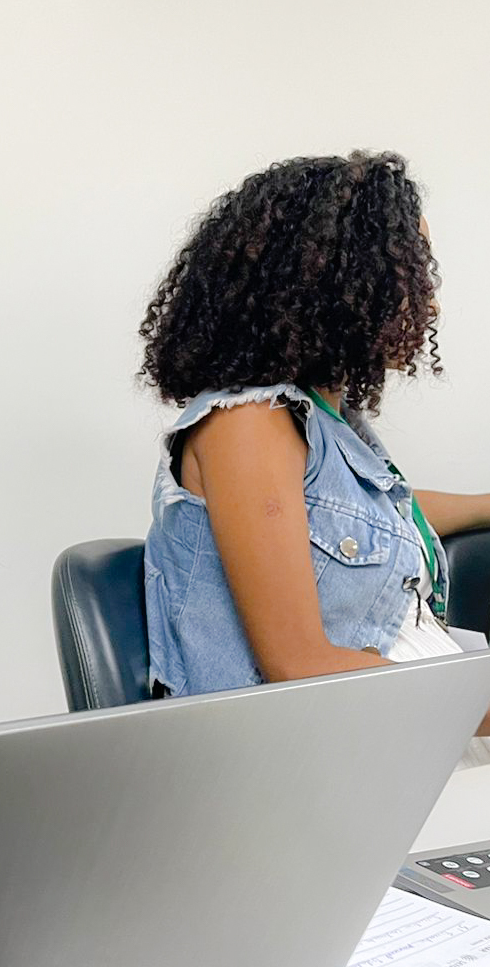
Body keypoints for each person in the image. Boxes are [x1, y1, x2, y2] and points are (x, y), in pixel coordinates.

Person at [139, 151, 490, 767]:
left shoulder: (325, 423)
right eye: (411, 272)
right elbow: (299, 664)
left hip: (409, 742)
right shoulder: (246, 425)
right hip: (323, 767)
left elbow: (359, 517)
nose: (429, 304)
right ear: (339, 281)